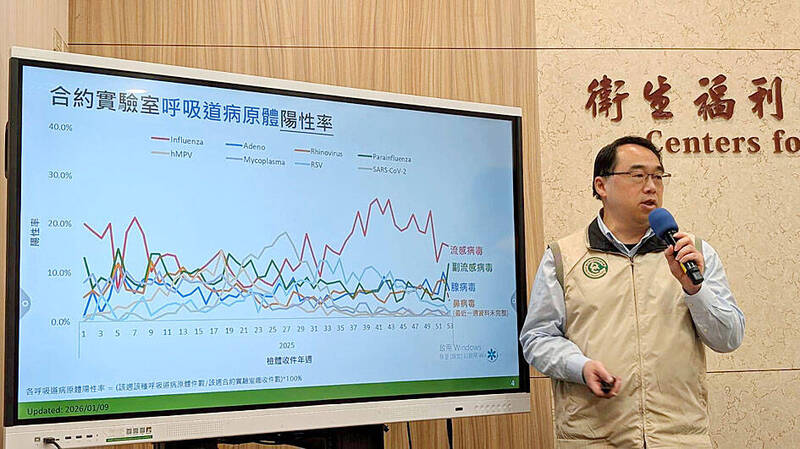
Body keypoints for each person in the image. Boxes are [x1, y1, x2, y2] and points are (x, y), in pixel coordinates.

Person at [519, 136, 745, 448]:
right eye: (638, 175)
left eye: (658, 176)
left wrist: (694, 290)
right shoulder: (564, 256)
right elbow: (537, 338)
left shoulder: (693, 253)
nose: (651, 187)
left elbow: (728, 338)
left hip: (678, 439)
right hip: (594, 439)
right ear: (601, 185)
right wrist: (579, 366)